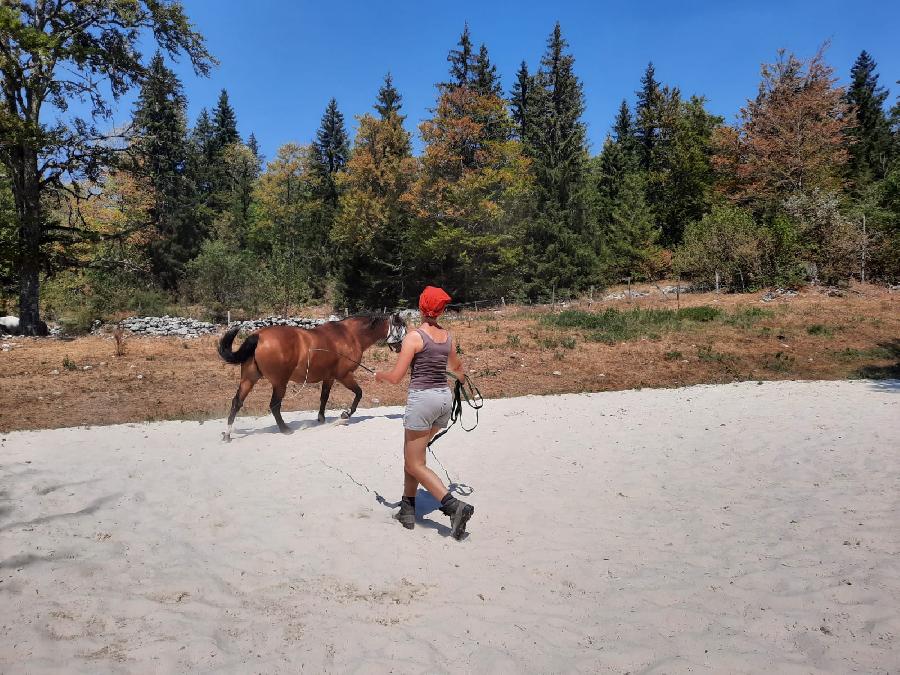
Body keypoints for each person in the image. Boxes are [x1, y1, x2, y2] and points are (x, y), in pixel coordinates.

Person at [374, 286, 475, 540]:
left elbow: (396, 378)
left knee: (414, 462)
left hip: (423, 401)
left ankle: (453, 506)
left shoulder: (414, 337)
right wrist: (464, 385)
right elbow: (459, 370)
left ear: (421, 307)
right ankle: (408, 510)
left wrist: (380, 375)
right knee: (414, 458)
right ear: (441, 310)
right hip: (443, 399)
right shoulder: (447, 337)